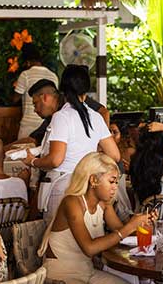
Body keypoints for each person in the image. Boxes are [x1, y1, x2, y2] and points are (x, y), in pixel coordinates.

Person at [40, 152, 155, 284]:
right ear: (93, 180)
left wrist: (141, 223)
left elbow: (121, 233)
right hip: (61, 276)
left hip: (87, 272)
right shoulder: (72, 202)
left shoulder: (104, 204)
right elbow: (89, 248)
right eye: (111, 181)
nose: (115, 187)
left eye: (116, 182)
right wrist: (129, 227)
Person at [26, 66, 120, 220]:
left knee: (59, 232)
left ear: (63, 89)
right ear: (86, 89)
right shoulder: (95, 117)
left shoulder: (61, 117)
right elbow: (114, 155)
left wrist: (33, 161)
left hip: (63, 187)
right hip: (88, 186)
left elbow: (55, 160)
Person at [13, 78, 109, 149]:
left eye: (35, 104)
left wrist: (100, 144)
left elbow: (104, 112)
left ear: (45, 98)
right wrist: (5, 149)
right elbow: (33, 139)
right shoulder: (52, 117)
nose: (35, 110)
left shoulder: (73, 99)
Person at [11, 44, 58, 138]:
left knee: (22, 146)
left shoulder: (25, 75)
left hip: (29, 124)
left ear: (28, 62)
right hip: (47, 123)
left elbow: (15, 99)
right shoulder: (53, 76)